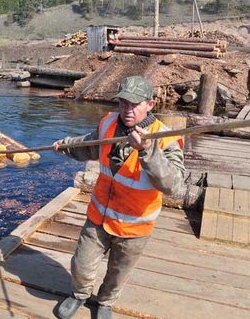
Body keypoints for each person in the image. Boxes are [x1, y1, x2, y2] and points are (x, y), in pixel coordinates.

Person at [52, 76, 185, 319]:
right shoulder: (108, 123)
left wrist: (146, 151)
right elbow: (89, 144)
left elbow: (174, 185)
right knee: (81, 265)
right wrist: (66, 145)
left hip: (135, 225)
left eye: (134, 104)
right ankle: (79, 295)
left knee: (118, 272)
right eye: (123, 102)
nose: (127, 109)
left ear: (150, 104)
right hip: (99, 215)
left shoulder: (165, 137)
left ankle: (105, 302)